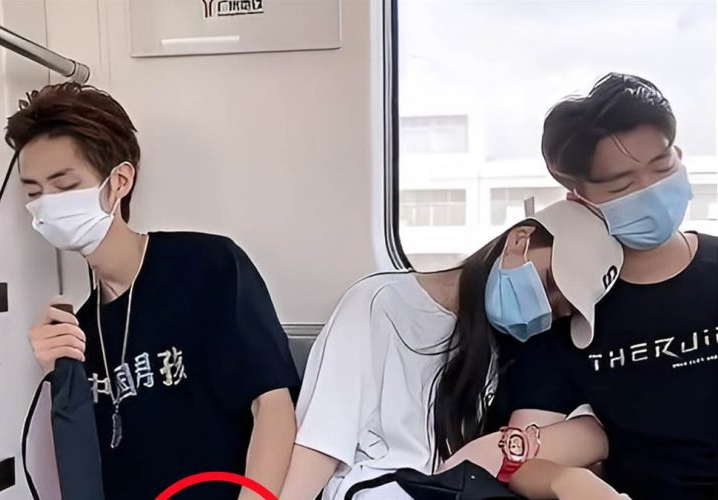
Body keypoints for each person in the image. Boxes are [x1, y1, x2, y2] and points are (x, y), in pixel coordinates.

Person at [6, 82, 300, 499]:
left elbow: (272, 405)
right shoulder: (78, 331)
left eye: (65, 186)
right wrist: (57, 375)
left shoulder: (208, 266)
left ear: (119, 181)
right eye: (34, 193)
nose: (47, 206)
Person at [280, 200, 627, 499]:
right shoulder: (378, 303)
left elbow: (587, 435)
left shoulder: (508, 347)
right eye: (549, 283)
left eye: (559, 311)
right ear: (519, 240)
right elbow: (322, 442)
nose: (544, 309)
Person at [491, 73, 718, 499]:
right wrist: (563, 480)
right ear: (579, 198)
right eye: (622, 185)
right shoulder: (572, 308)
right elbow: (519, 458)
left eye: (663, 167)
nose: (652, 190)